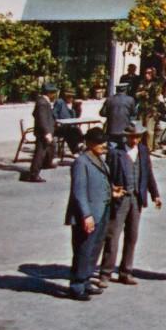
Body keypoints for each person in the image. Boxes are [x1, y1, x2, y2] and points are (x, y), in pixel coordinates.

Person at [99, 121, 162, 286]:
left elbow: (148, 173)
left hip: (137, 199)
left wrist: (155, 194)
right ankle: (105, 273)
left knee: (132, 236)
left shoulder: (142, 151)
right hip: (120, 200)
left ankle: (125, 272)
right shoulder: (115, 153)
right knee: (113, 236)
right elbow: (107, 177)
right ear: (126, 136)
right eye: (132, 137)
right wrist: (112, 190)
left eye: (138, 137)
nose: (135, 140)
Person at [63, 128, 113, 301]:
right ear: (90, 143)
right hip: (89, 214)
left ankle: (85, 281)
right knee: (83, 249)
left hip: (102, 210)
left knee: (94, 248)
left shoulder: (98, 158)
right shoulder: (81, 163)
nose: (104, 145)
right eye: (100, 142)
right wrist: (86, 215)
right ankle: (76, 286)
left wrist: (112, 191)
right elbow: (79, 192)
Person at [21, 81, 59, 182]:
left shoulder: (42, 101)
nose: (54, 95)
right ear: (49, 93)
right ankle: (34, 174)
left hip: (44, 131)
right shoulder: (42, 102)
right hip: (43, 132)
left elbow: (35, 114)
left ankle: (45, 165)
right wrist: (47, 132)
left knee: (46, 150)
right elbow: (42, 118)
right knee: (40, 153)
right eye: (53, 92)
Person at [135, 66, 165, 154]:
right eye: (145, 73)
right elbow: (136, 94)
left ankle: (149, 149)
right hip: (142, 109)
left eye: (149, 73)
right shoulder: (142, 83)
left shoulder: (156, 83)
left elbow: (165, 75)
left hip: (151, 110)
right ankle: (138, 146)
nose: (146, 75)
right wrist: (141, 93)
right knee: (139, 128)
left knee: (149, 130)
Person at [100, 82, 136, 147]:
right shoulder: (130, 100)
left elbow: (102, 113)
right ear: (126, 90)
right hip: (125, 130)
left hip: (111, 130)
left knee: (112, 150)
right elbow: (133, 113)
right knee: (124, 150)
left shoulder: (109, 99)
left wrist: (111, 113)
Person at [52, 89, 84, 157]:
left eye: (72, 97)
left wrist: (78, 108)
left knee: (76, 130)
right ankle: (75, 151)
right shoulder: (60, 102)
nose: (71, 98)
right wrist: (57, 121)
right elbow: (54, 114)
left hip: (69, 126)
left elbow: (76, 117)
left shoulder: (73, 104)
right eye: (69, 96)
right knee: (70, 132)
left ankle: (81, 144)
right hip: (59, 127)